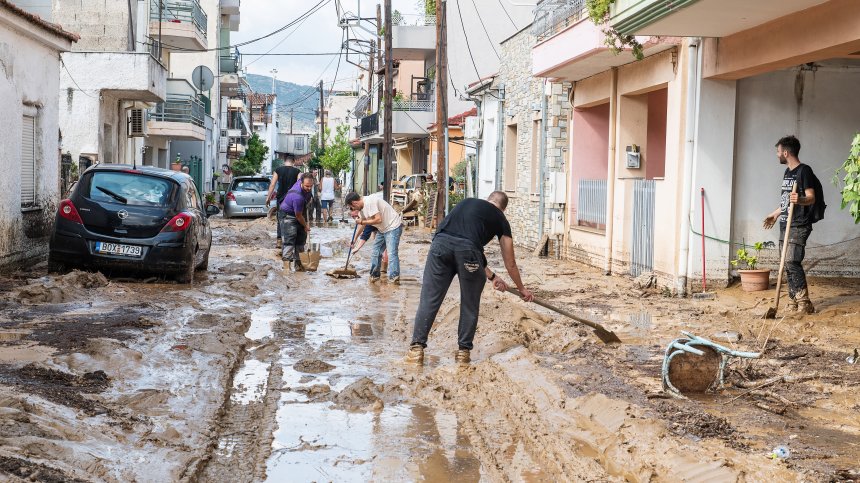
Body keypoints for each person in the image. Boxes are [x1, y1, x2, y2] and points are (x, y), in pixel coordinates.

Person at [406, 191, 534, 365]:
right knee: (469, 303)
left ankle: (416, 349)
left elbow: (460, 240)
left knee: (429, 298)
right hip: (469, 253)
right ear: (503, 209)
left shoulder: (466, 203)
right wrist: (521, 288)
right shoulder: (500, 218)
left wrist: (492, 277)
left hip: (439, 246)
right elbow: (509, 262)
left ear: (488, 199)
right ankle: (463, 353)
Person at [763, 135, 819, 314]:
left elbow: (811, 198)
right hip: (785, 222)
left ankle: (805, 302)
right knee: (785, 264)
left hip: (799, 224)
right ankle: (793, 301)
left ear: (786, 153)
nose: (777, 154)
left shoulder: (804, 171)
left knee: (792, 261)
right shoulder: (787, 172)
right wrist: (775, 214)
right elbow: (787, 201)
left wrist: (800, 199)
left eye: (778, 151)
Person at [345, 192, 402, 283]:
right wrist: (354, 240)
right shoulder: (362, 209)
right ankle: (374, 275)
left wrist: (362, 222)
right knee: (376, 251)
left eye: (352, 207)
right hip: (383, 229)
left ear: (354, 203)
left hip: (393, 226)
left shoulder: (369, 202)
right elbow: (361, 225)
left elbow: (378, 219)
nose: (353, 209)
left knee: (391, 253)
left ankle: (394, 277)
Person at [279, 173, 314, 271]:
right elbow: (298, 216)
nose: (309, 188)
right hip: (288, 215)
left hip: (299, 213)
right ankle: (286, 268)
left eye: (311, 186)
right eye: (307, 186)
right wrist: (305, 226)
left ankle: (299, 266)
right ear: (301, 183)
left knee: (301, 240)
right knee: (289, 240)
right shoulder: (297, 196)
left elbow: (300, 175)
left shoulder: (301, 180)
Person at [267, 158, 301, 250]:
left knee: (280, 219)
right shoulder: (297, 171)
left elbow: (272, 184)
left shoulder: (278, 170)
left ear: (284, 162)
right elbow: (299, 185)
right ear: (293, 162)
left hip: (281, 198)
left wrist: (268, 197)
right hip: (292, 199)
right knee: (293, 218)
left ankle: (279, 240)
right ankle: (291, 240)